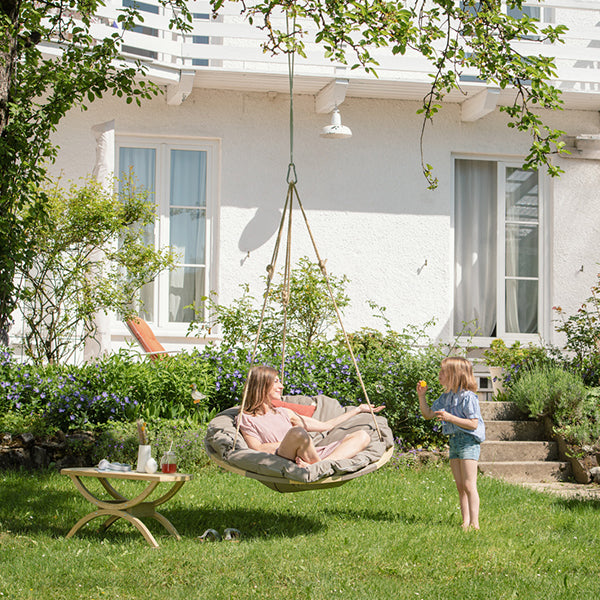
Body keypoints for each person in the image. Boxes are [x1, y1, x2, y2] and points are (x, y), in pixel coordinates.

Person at [237, 365, 385, 468]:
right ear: (262, 386)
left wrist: (358, 410)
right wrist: (289, 443)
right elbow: (256, 448)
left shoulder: (283, 412)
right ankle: (318, 465)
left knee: (363, 436)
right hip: (285, 457)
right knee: (298, 433)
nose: (281, 386)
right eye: (276, 382)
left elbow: (326, 426)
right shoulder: (246, 418)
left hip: (311, 454)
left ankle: (319, 465)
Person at [417, 357, 485, 530]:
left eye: (442, 372)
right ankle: (465, 522)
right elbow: (428, 414)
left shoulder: (469, 398)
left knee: (470, 484)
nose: (439, 375)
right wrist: (421, 396)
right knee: (460, 485)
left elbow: (473, 424)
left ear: (454, 375)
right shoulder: (445, 397)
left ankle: (475, 524)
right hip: (454, 441)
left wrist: (450, 418)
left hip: (469, 441)